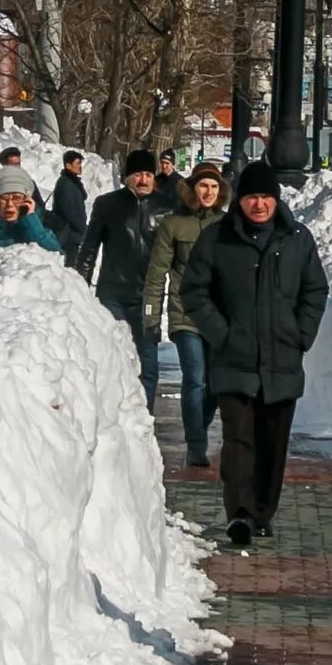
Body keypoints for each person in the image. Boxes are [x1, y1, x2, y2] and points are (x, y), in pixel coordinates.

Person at [184, 159, 327, 548]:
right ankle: (240, 514)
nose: (259, 205)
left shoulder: (297, 239)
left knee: (272, 442)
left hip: (282, 361)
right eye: (251, 197)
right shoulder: (218, 239)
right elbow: (194, 290)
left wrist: (301, 333)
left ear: (276, 200)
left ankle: (263, 511)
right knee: (238, 441)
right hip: (235, 360)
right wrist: (221, 334)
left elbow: (315, 290)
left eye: (265, 197)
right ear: (240, 201)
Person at [143, 157, 228, 468]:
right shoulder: (174, 224)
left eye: (214, 186)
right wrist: (151, 315)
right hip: (185, 314)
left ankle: (199, 427)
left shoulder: (228, 225)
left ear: (221, 191)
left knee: (215, 383)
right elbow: (157, 272)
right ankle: (196, 444)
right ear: (192, 188)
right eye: (203, 185)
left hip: (220, 317)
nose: (208, 191)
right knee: (195, 378)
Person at [73, 150, 166, 408]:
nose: (144, 180)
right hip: (112, 294)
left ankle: (143, 417)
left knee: (148, 361)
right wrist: (79, 289)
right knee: (114, 357)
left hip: (149, 298)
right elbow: (89, 249)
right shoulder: (107, 205)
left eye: (148, 174)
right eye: (138, 174)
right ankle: (116, 414)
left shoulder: (166, 207)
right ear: (127, 177)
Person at [50, 149, 93, 252]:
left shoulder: (73, 182)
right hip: (67, 234)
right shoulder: (65, 184)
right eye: (77, 163)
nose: (80, 166)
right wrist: (83, 229)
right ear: (68, 165)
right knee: (68, 266)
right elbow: (70, 213)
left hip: (74, 233)